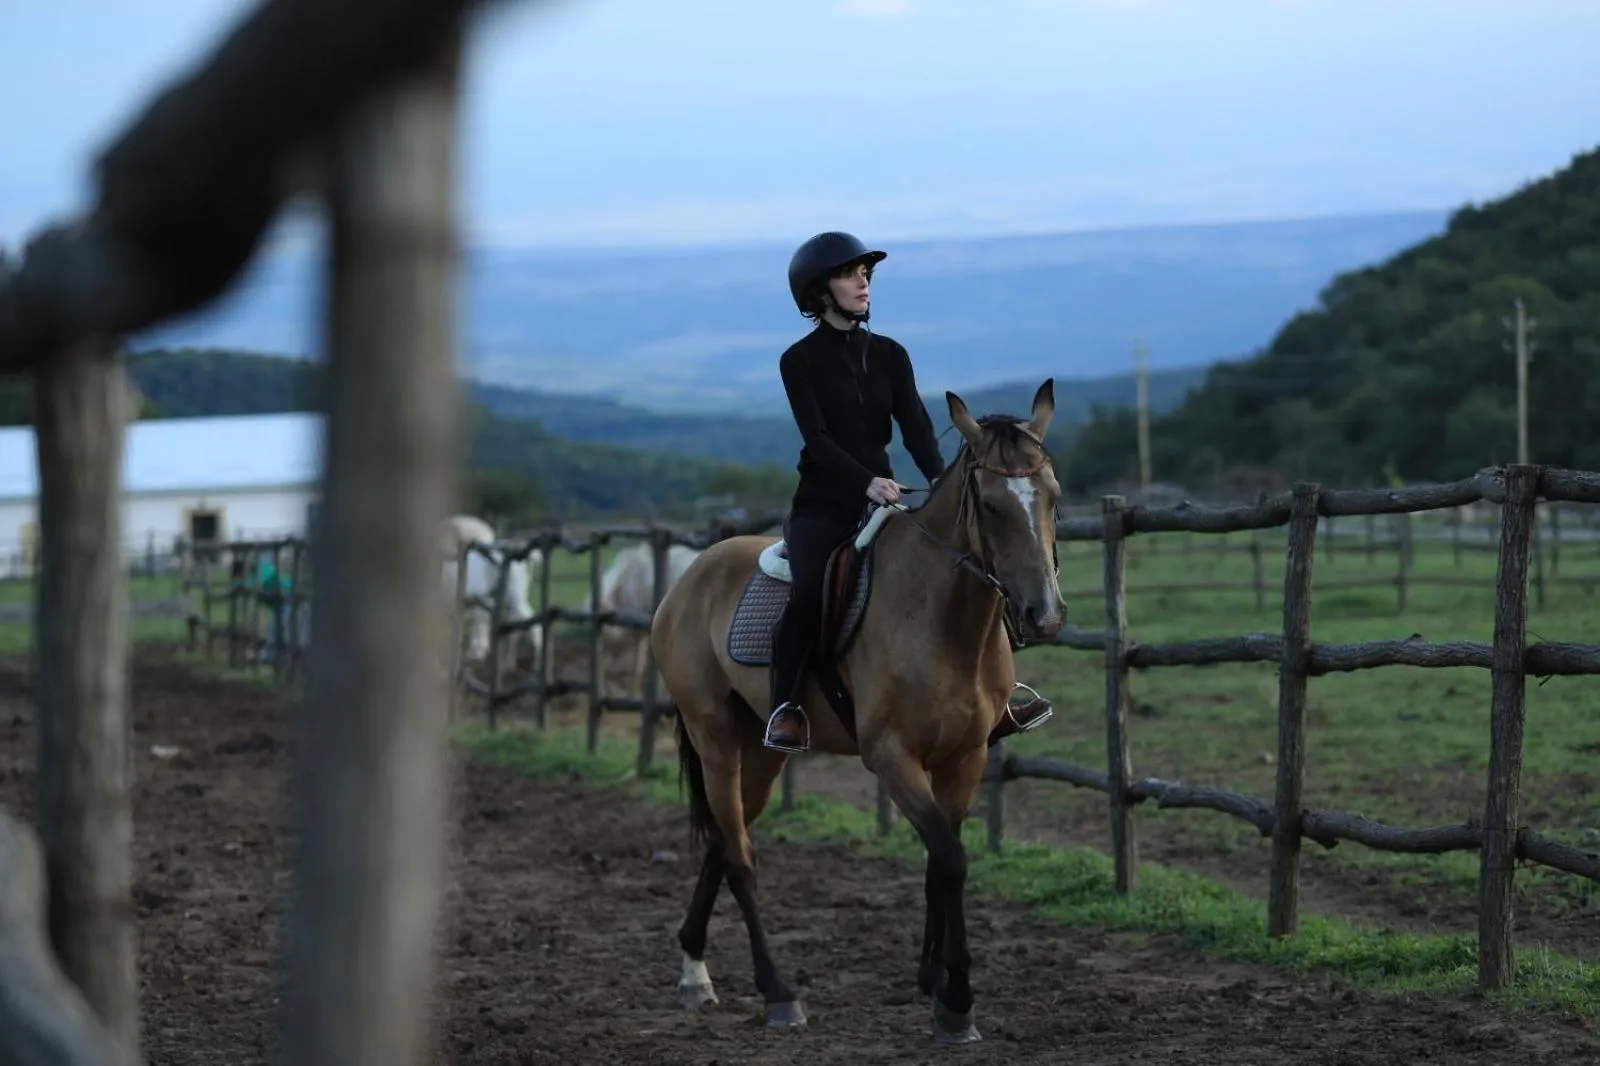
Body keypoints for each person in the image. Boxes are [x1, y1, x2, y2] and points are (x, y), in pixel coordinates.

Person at [762, 231, 947, 753]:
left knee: (956, 572)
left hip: (884, 503)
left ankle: (988, 696)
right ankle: (786, 705)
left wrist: (942, 480)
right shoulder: (798, 361)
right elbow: (816, 440)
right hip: (825, 505)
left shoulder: (891, 354)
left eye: (866, 272)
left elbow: (916, 428)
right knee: (809, 593)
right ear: (820, 291)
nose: (863, 280)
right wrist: (864, 480)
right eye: (850, 273)